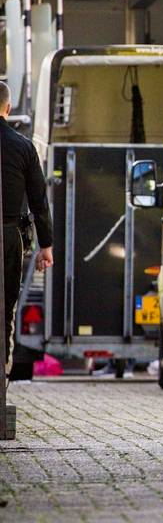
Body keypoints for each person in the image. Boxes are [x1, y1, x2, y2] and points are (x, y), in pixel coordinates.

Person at [1, 82, 53, 381]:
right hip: (8, 237)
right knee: (5, 307)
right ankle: (2, 372)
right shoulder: (23, 147)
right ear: (8, 108)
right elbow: (38, 200)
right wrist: (46, 245)